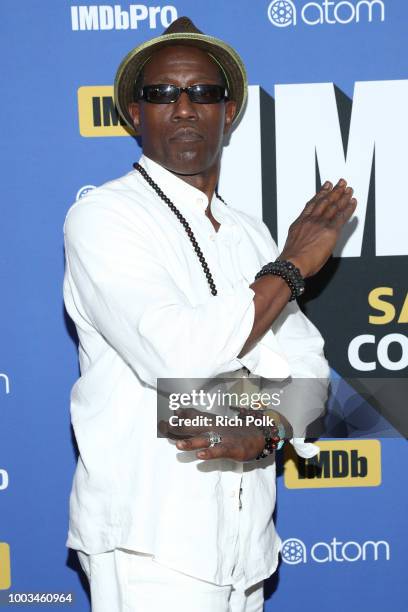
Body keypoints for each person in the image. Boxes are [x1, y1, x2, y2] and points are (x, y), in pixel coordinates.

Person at [63, 16, 357, 612]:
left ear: (229, 111)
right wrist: (292, 266)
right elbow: (175, 355)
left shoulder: (248, 232)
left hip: (247, 549)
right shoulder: (104, 217)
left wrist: (267, 426)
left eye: (203, 92)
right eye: (162, 93)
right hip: (152, 544)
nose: (185, 107)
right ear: (133, 114)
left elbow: (308, 369)